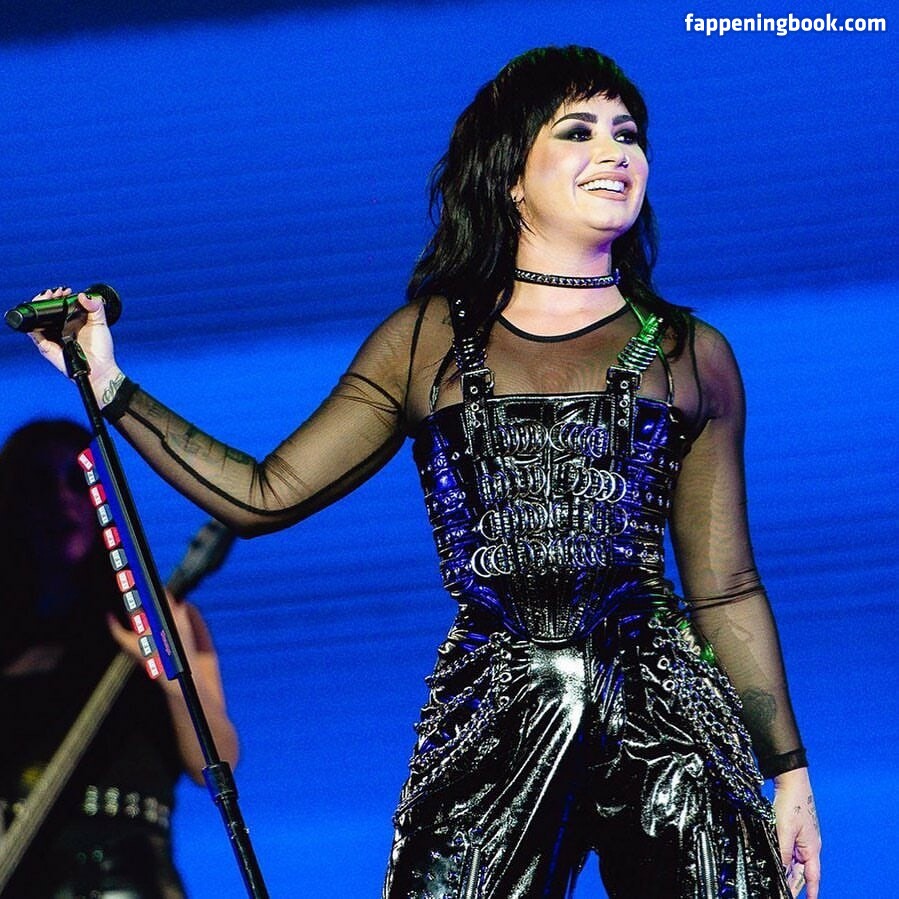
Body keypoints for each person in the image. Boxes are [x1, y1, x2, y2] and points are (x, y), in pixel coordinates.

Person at [26, 45, 820, 898]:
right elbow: (261, 495)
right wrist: (110, 387)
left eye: (627, 135)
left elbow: (725, 587)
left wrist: (789, 773)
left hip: (665, 712)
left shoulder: (690, 351)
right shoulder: (427, 340)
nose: (614, 152)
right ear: (512, 175)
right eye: (578, 131)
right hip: (496, 711)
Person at [0, 418, 239, 898]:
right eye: (40, 485)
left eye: (77, 481)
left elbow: (215, 760)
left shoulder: (160, 617)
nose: (60, 500)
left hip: (130, 878)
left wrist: (173, 677)